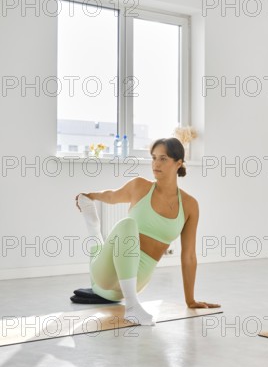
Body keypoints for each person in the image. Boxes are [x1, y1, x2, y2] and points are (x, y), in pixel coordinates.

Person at [75, 138, 220, 326]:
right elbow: (111, 196)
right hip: (104, 277)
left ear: (179, 163)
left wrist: (190, 300)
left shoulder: (190, 205)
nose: (156, 164)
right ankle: (133, 307)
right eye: (153, 158)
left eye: (163, 159)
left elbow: (189, 255)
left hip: (135, 282)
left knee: (128, 226)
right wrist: (90, 196)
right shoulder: (140, 187)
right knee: (127, 225)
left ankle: (94, 229)